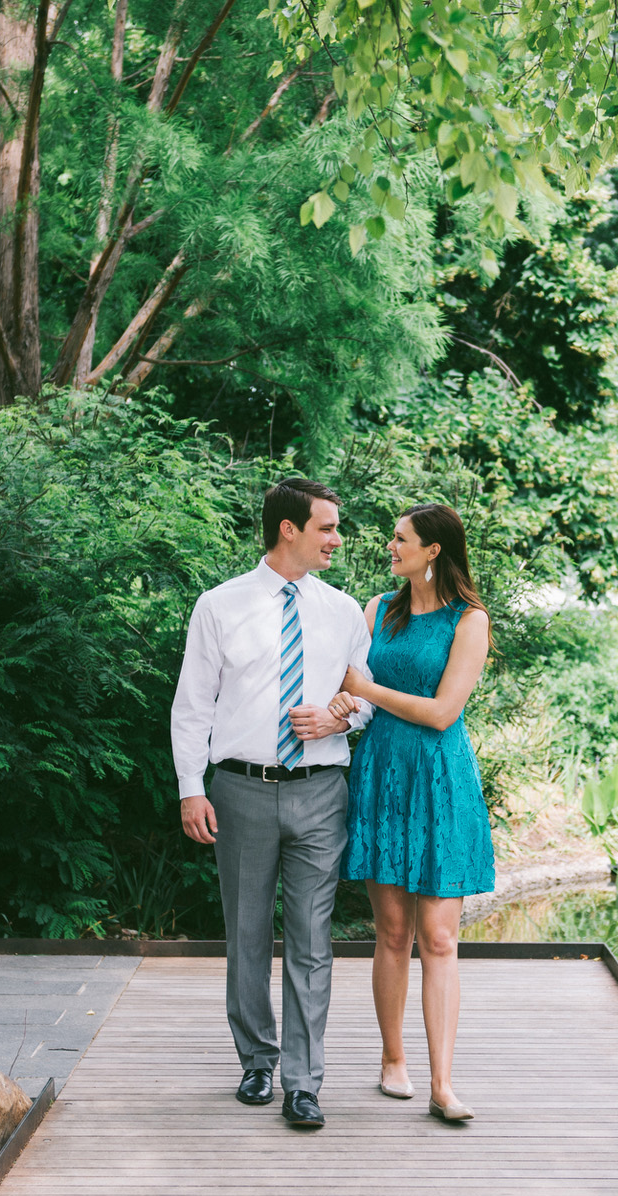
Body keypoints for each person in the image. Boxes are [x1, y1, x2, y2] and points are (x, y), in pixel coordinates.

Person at [171, 477, 374, 1129]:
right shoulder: (219, 605)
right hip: (239, 791)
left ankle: (303, 1081)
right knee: (247, 933)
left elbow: (367, 696)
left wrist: (343, 720)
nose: (337, 539)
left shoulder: (342, 611)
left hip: (321, 792)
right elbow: (191, 707)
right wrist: (191, 787)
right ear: (288, 528)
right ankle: (257, 1060)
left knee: (314, 939)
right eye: (327, 528)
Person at [328, 502, 494, 1123]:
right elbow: (344, 689)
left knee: (441, 938)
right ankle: (392, 1058)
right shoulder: (376, 610)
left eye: (401, 540)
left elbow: (443, 712)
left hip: (439, 780)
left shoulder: (469, 620)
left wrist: (366, 690)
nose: (390, 547)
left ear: (434, 551)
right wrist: (343, 706)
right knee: (393, 933)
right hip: (382, 778)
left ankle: (443, 1084)